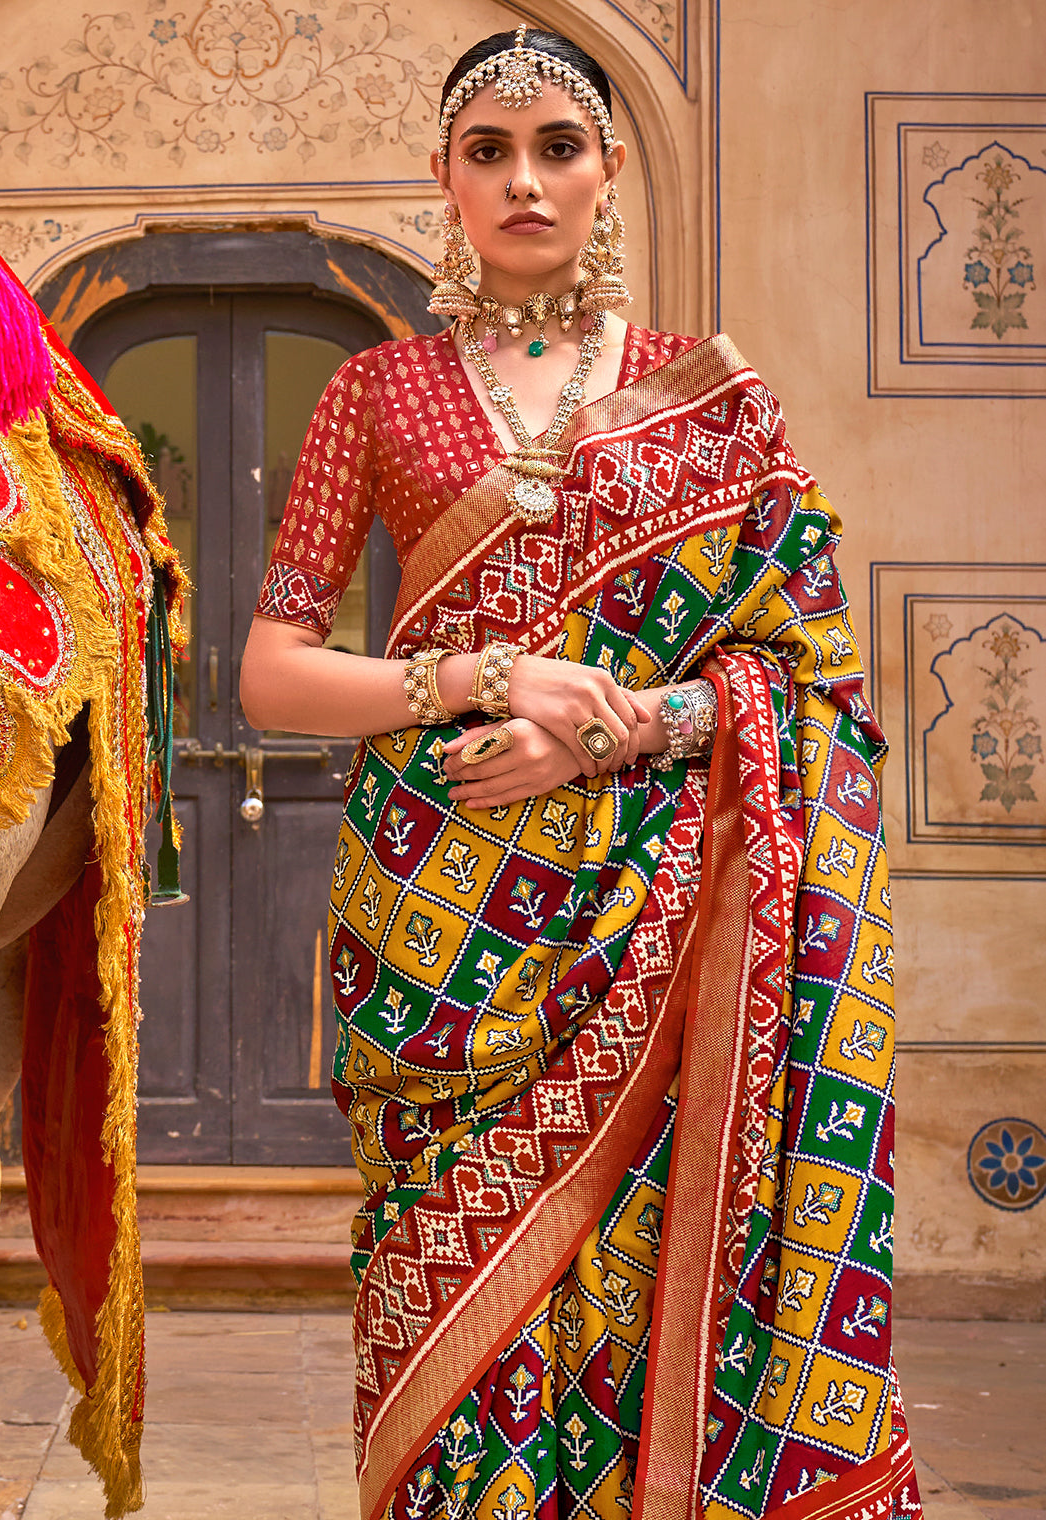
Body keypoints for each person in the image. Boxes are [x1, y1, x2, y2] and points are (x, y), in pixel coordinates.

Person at [241, 26, 921, 1520]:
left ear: (608, 170)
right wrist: (478, 679)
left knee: (640, 1275)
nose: (525, 182)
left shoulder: (707, 396)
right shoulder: (377, 389)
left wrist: (611, 724)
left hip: (656, 918)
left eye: (557, 147)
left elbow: (812, 684)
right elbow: (271, 670)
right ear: (443, 180)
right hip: (440, 936)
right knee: (444, 1306)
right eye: (489, 154)